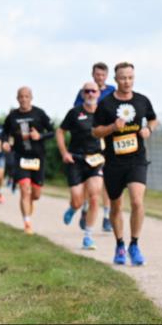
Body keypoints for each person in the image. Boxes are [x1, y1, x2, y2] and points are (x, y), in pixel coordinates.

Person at [92, 62, 158, 266]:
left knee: (137, 201)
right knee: (116, 205)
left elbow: (153, 119)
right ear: (116, 79)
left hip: (137, 159)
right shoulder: (106, 104)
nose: (127, 81)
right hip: (113, 162)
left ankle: (134, 244)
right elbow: (95, 131)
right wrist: (112, 127)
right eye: (122, 78)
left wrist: (149, 129)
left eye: (130, 77)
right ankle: (120, 244)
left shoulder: (141, 100)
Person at [57, 81, 106, 250]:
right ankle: (74, 208)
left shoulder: (104, 113)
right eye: (87, 91)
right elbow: (60, 131)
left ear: (99, 93)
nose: (90, 94)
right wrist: (64, 153)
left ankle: (88, 236)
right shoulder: (75, 113)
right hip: (76, 160)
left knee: (94, 197)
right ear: (82, 94)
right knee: (78, 200)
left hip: (96, 160)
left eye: (93, 91)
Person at [2, 87, 54, 234]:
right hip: (20, 156)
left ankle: (29, 204)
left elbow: (52, 131)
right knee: (24, 189)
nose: (24, 99)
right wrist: (5, 142)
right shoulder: (12, 116)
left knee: (35, 195)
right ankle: (27, 223)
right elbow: (4, 132)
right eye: (21, 96)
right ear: (17, 98)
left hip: (38, 157)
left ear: (31, 98)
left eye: (26, 96)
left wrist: (40, 136)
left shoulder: (39, 113)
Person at [73, 62, 117, 231]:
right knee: (89, 178)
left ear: (106, 76)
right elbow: (76, 112)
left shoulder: (112, 90)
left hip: (108, 138)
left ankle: (106, 216)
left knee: (106, 178)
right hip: (89, 139)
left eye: (102, 75)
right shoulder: (85, 91)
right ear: (93, 75)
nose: (99, 78)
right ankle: (85, 208)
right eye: (97, 75)